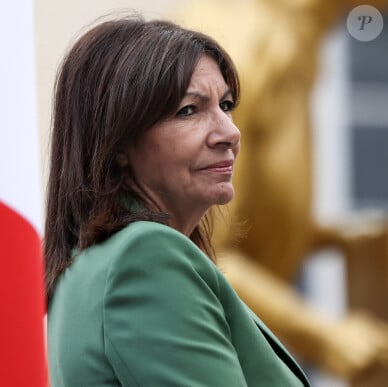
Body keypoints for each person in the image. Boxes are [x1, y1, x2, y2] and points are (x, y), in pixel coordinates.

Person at [44, 15, 311, 386]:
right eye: (189, 110)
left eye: (227, 105)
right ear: (118, 144)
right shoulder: (144, 258)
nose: (230, 133)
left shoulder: (90, 265)